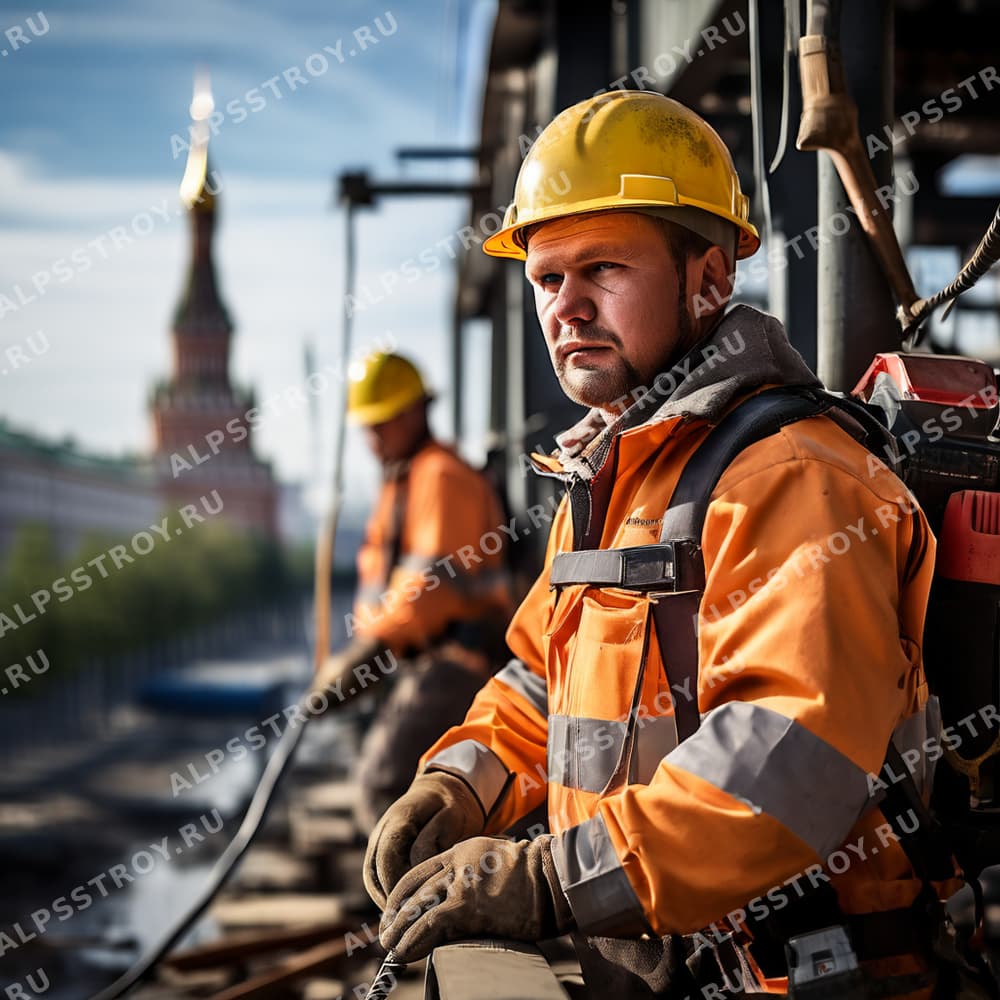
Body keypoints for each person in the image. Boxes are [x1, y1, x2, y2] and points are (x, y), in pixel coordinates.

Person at [363, 92, 959, 998]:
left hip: (801, 976)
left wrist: (551, 880)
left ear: (710, 278)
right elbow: (544, 680)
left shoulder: (791, 476)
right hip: (662, 962)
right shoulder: (613, 476)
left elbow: (785, 761)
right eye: (547, 279)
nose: (567, 307)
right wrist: (456, 786)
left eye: (603, 267)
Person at [318, 351, 515, 835]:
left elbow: (427, 589)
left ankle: (415, 907)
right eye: (365, 427)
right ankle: (416, 902)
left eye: (379, 425)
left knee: (384, 785)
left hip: (457, 661)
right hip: (422, 659)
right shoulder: (405, 481)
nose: (370, 440)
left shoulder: (442, 480)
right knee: (396, 786)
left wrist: (368, 651)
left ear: (411, 414)